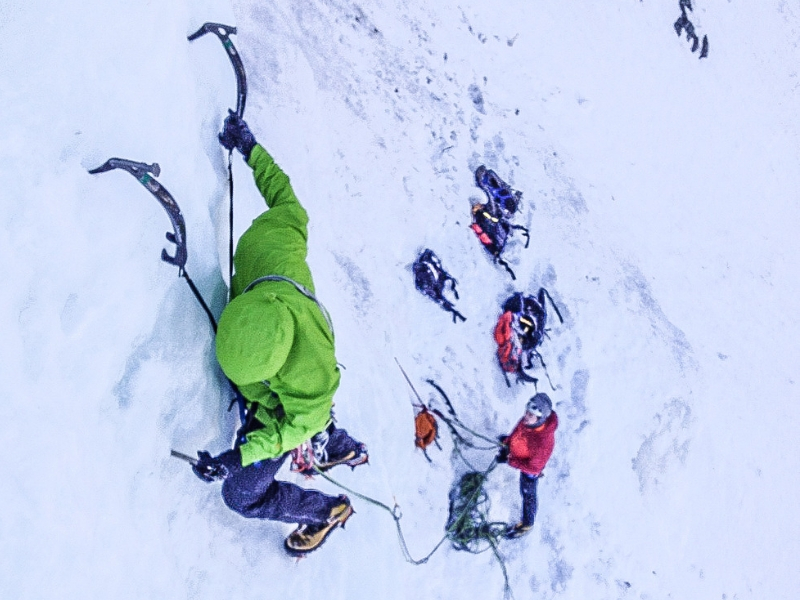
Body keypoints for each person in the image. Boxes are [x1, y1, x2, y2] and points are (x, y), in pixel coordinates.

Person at [190, 111, 367, 556]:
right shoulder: (275, 247)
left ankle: (326, 511)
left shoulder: (312, 380)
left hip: (291, 412)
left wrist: (240, 456)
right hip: (300, 397)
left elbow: (287, 428)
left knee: (240, 495)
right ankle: (333, 444)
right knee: (312, 418)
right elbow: (284, 197)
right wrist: (250, 147)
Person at [497, 392, 558, 538]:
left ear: (540, 419)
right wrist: (507, 443)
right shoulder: (529, 421)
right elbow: (516, 430)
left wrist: (510, 460)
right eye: (526, 412)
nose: (525, 416)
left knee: (528, 494)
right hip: (520, 451)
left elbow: (533, 468)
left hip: (530, 469)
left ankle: (527, 523)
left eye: (530, 415)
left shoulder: (543, 443)